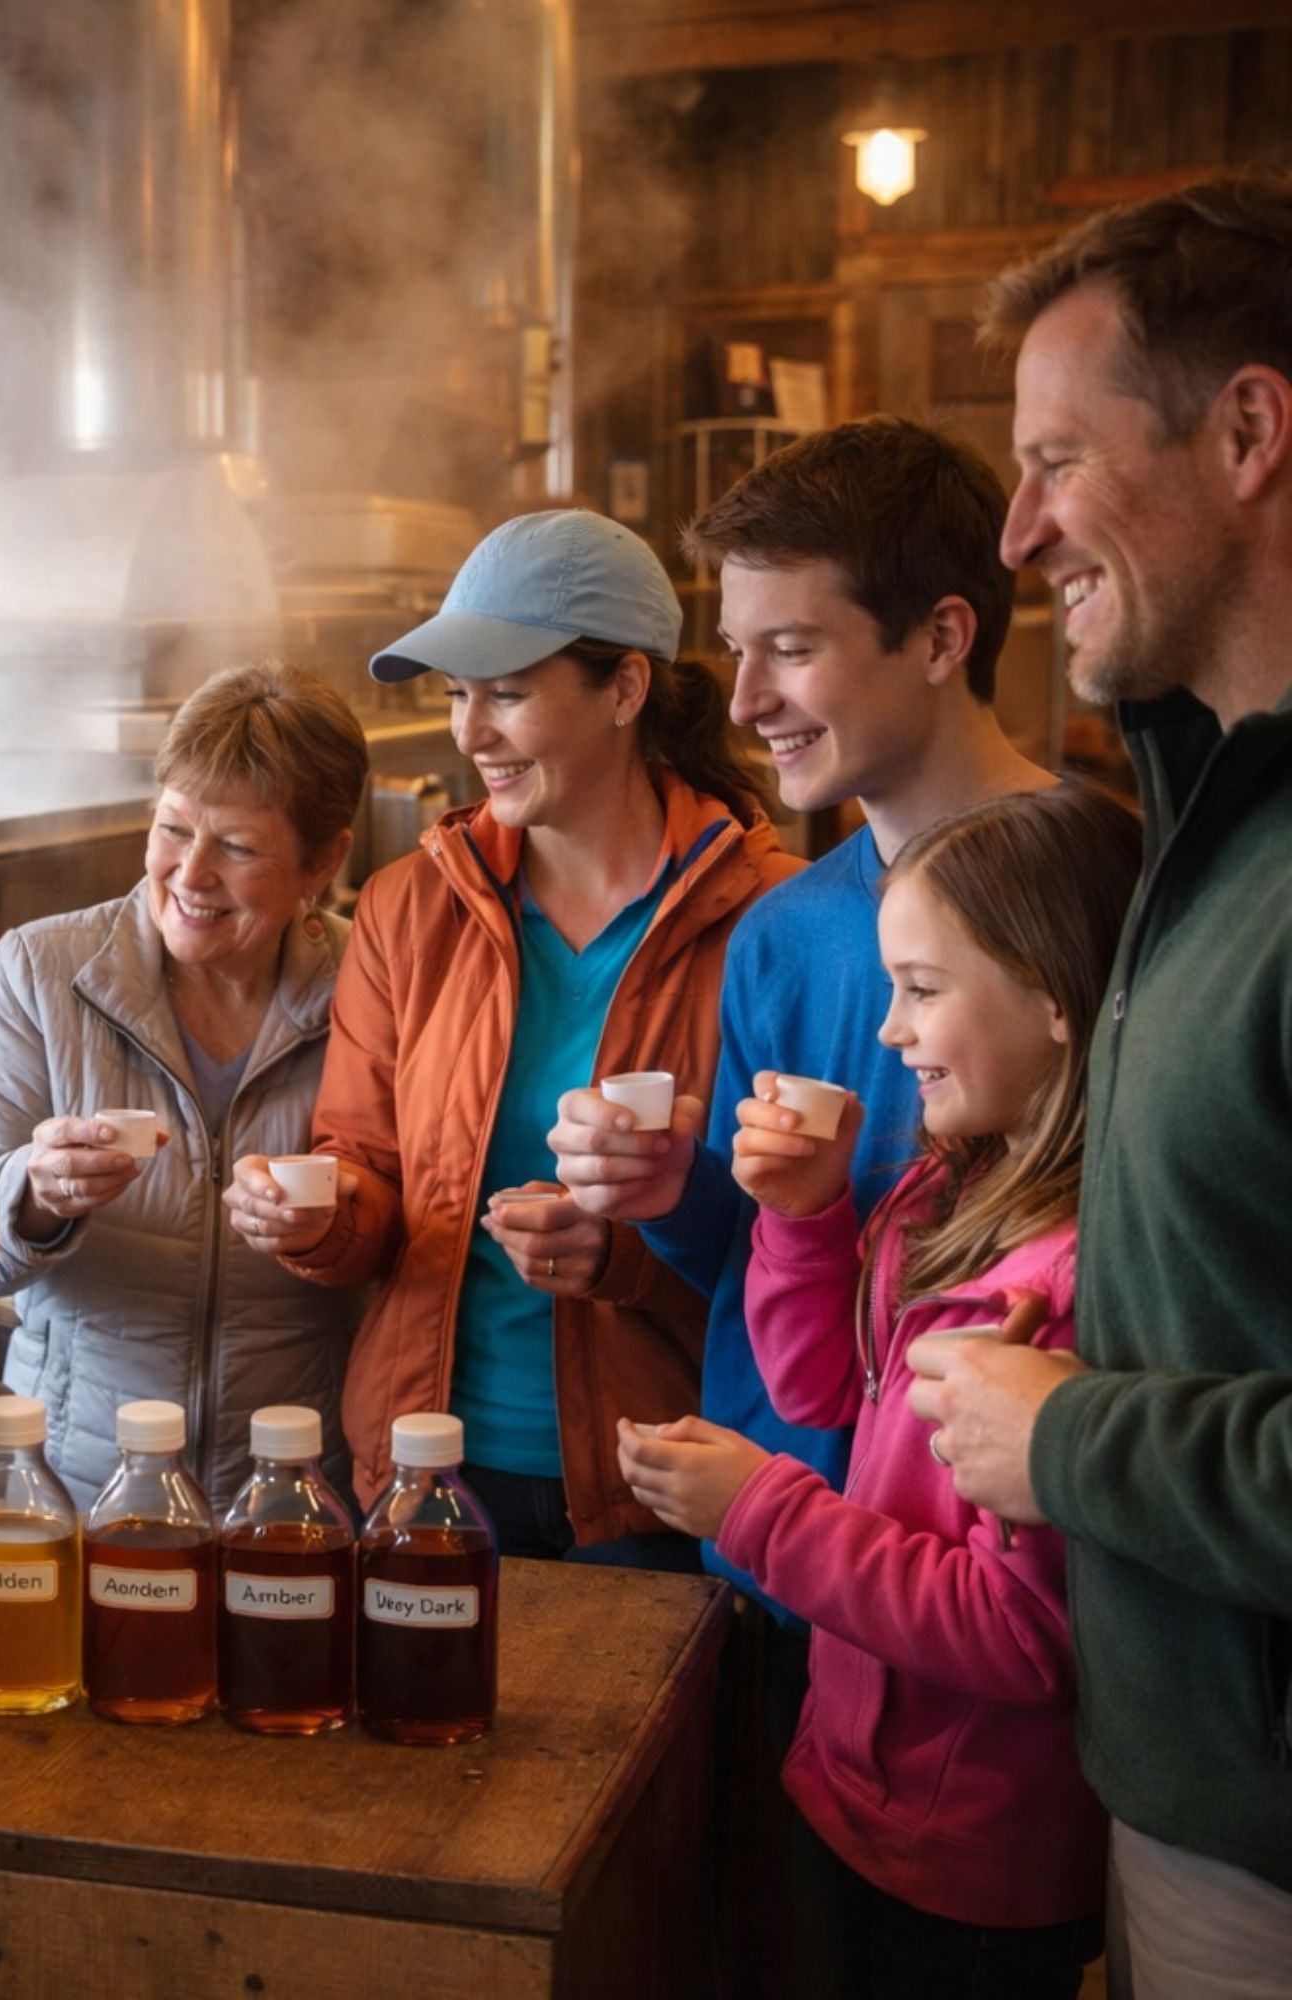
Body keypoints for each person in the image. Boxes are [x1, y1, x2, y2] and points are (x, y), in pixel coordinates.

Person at [543, 419, 1055, 1997]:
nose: (745, 701)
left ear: (942, 637)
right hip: (774, 1577)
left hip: (987, 1635)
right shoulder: (787, 933)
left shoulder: (1097, 895)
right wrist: (670, 1199)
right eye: (734, 649)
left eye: (789, 648)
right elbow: (760, 1278)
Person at [908, 173, 1292, 2000]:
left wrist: (1067, 1440)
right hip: (1187, 1796)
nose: (1014, 530)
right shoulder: (1209, 825)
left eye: (1057, 458)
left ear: (1248, 429)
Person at [619, 784, 1141, 2000]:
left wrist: (757, 1509)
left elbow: (1020, 1633)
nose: (890, 1032)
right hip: (846, 1773)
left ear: (1055, 998)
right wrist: (802, 1215)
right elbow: (817, 1385)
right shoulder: (933, 1191)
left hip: (974, 1850)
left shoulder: (1067, 1283)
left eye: (921, 988)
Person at [226, 508, 797, 1564]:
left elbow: (808, 1242)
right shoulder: (410, 906)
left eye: (507, 691)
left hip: (661, 1483)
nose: (467, 731)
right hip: (425, 1471)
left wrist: (625, 1252)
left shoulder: (772, 917)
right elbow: (366, 1170)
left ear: (624, 689)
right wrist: (313, 1212)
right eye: (455, 693)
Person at [0, 663, 369, 1510]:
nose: (190, 874)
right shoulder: (44, 972)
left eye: (236, 846)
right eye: (173, 829)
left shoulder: (373, 985)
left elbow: (425, 1219)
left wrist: (344, 1222)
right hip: (85, 1489)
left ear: (323, 861)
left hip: (296, 1495)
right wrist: (32, 1194)